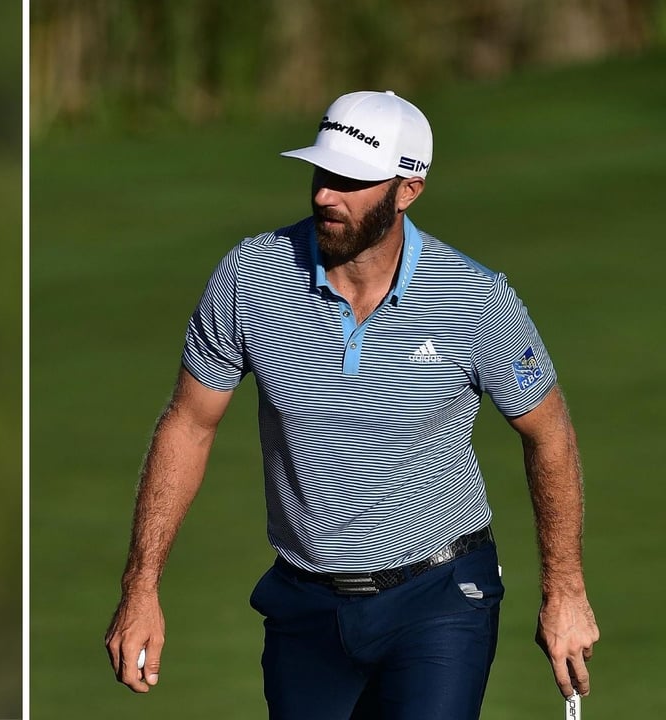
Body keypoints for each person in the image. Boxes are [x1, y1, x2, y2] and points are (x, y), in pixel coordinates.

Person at [104, 90, 600, 718]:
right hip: (305, 607)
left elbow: (548, 433)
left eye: (351, 179)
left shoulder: (475, 299)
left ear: (408, 188)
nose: (323, 195)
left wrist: (565, 588)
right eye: (321, 173)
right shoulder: (248, 278)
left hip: (438, 597)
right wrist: (141, 586)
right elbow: (189, 425)